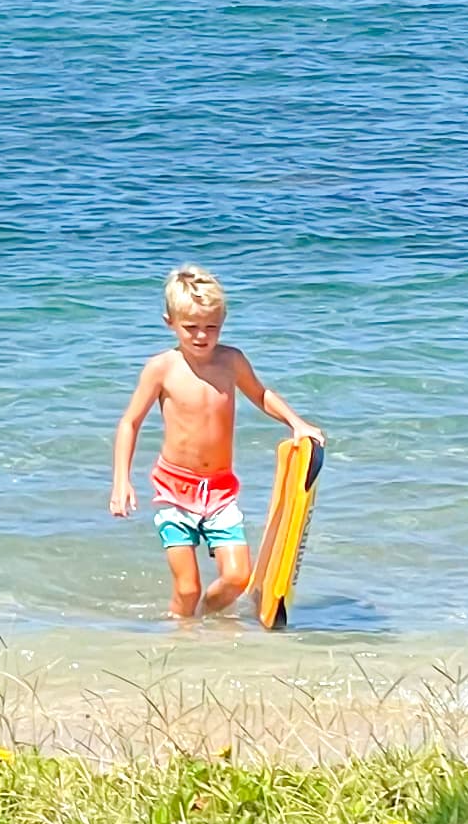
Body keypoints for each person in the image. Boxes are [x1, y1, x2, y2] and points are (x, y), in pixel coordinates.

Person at [108, 266, 317, 621]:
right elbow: (130, 422)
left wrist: (296, 423)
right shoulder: (162, 368)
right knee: (186, 588)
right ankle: (179, 636)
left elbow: (261, 394)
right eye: (191, 328)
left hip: (220, 490)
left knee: (237, 578)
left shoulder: (231, 361)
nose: (202, 336)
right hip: (174, 489)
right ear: (169, 322)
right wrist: (121, 480)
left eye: (212, 327)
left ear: (223, 322)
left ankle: (205, 617)